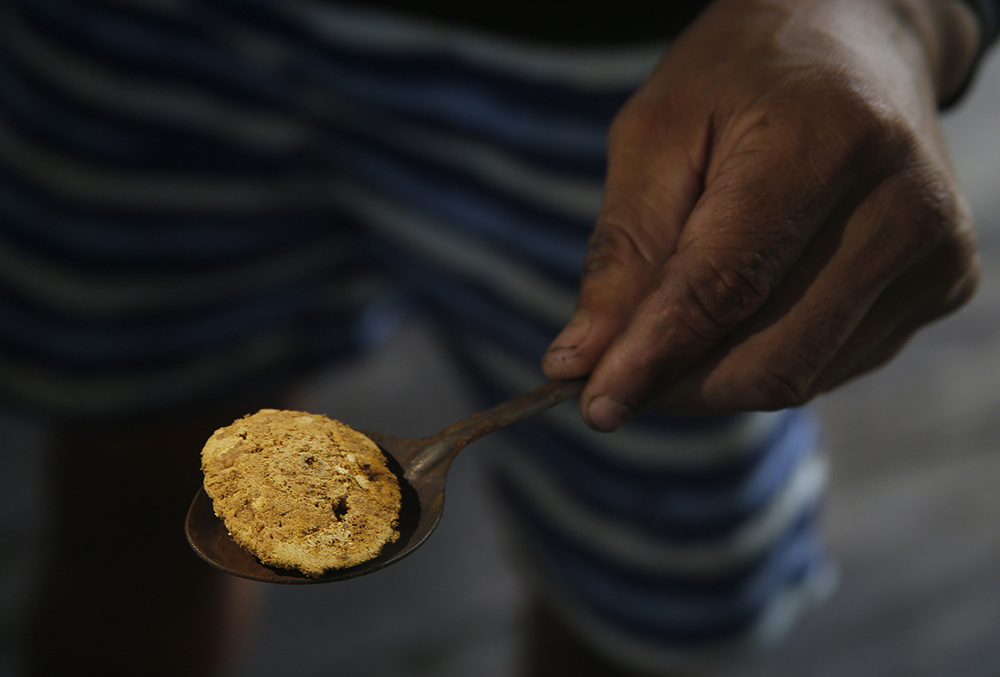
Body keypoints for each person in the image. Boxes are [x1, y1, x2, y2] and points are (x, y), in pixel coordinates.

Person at [0, 0, 992, 674]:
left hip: (652, 72)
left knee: (643, 595)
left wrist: (904, 15)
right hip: (137, 34)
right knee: (126, 464)